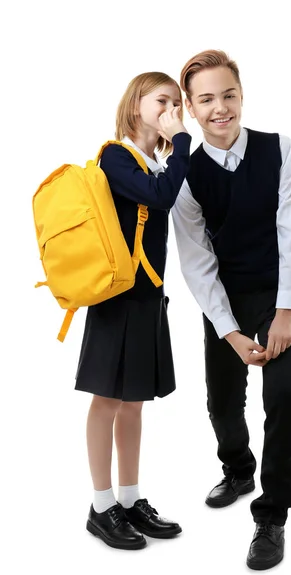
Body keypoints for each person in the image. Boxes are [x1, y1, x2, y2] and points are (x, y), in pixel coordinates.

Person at [172, 50, 291, 570]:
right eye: (206, 99)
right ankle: (237, 469)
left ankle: (271, 517)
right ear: (190, 106)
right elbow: (196, 263)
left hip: (282, 292)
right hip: (225, 298)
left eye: (228, 94)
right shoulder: (184, 176)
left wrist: (285, 311)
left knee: (282, 401)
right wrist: (230, 332)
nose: (220, 108)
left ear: (241, 94)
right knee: (223, 402)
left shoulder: (281, 151)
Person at [75, 72, 191, 550]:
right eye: (162, 100)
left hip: (147, 299)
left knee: (135, 401)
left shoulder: (153, 162)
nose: (171, 110)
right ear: (136, 102)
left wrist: (174, 146)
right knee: (106, 400)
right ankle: (101, 507)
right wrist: (182, 137)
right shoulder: (115, 156)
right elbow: (161, 198)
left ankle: (129, 499)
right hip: (116, 299)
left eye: (176, 104)